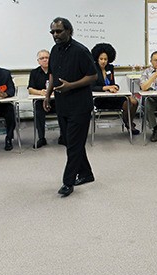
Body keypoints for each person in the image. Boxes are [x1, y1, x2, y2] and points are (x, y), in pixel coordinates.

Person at [44, 17, 98, 198]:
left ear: (69, 31)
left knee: (73, 145)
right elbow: (52, 74)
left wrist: (71, 85)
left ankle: (68, 182)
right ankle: (86, 173)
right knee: (69, 141)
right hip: (62, 104)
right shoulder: (54, 50)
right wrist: (47, 95)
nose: (55, 35)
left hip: (80, 105)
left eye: (58, 31)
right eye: (52, 32)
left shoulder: (81, 51)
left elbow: (92, 77)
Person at [91, 43, 139, 135]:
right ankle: (128, 123)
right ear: (97, 58)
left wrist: (116, 86)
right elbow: (92, 87)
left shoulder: (110, 68)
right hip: (100, 99)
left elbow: (112, 83)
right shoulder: (93, 68)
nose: (103, 61)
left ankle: (128, 122)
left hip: (112, 96)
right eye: (101, 59)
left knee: (134, 102)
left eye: (106, 59)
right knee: (128, 104)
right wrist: (107, 87)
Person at [28, 49, 59, 148]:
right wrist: (40, 92)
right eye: (42, 58)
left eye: (47, 58)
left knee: (64, 110)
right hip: (41, 102)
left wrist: (54, 90)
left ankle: (63, 137)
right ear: (38, 61)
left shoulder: (57, 70)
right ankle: (41, 138)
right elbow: (30, 89)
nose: (45, 60)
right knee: (38, 113)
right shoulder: (34, 72)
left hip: (56, 101)